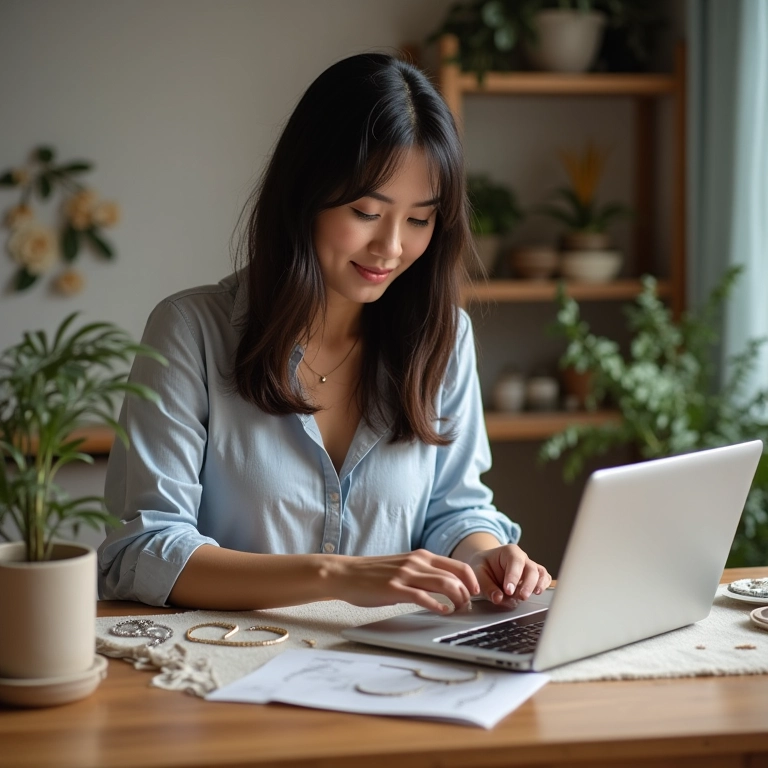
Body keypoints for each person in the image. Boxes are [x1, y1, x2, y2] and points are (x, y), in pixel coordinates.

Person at [97, 52, 551, 613]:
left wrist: (486, 555)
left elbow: (454, 510)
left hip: (392, 660)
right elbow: (144, 550)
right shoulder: (191, 332)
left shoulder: (443, 338)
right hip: (229, 658)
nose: (391, 247)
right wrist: (335, 575)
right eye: (366, 212)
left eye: (419, 219)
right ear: (305, 193)